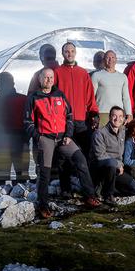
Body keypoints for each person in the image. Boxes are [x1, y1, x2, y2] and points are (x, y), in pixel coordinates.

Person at [24, 68, 101, 218]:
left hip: (63, 138)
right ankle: (43, 206)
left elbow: (69, 116)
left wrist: (68, 135)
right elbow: (27, 122)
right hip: (45, 138)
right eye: (45, 77)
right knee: (44, 173)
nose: (48, 80)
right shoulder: (33, 98)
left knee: (81, 160)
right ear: (40, 79)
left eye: (51, 77)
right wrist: (38, 137)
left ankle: (89, 196)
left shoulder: (59, 95)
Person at [89, 106, 135, 205]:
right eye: (114, 116)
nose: (117, 119)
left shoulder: (122, 131)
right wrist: (118, 164)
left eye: (120, 116)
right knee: (111, 163)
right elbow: (100, 155)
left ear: (124, 118)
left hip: (116, 169)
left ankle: (107, 189)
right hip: (101, 168)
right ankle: (108, 195)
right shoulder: (99, 133)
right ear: (109, 117)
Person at [0, 72, 29, 184]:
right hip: (20, 141)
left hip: (0, 144)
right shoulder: (24, 100)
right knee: (22, 177)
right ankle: (22, 199)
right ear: (13, 84)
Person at [91, 50, 132, 127]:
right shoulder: (96, 75)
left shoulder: (122, 77)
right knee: (101, 137)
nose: (110, 60)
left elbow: (126, 97)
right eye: (108, 57)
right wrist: (93, 114)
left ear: (116, 60)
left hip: (119, 114)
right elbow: (91, 96)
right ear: (104, 60)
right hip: (102, 113)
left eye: (113, 57)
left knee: (118, 137)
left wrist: (129, 113)